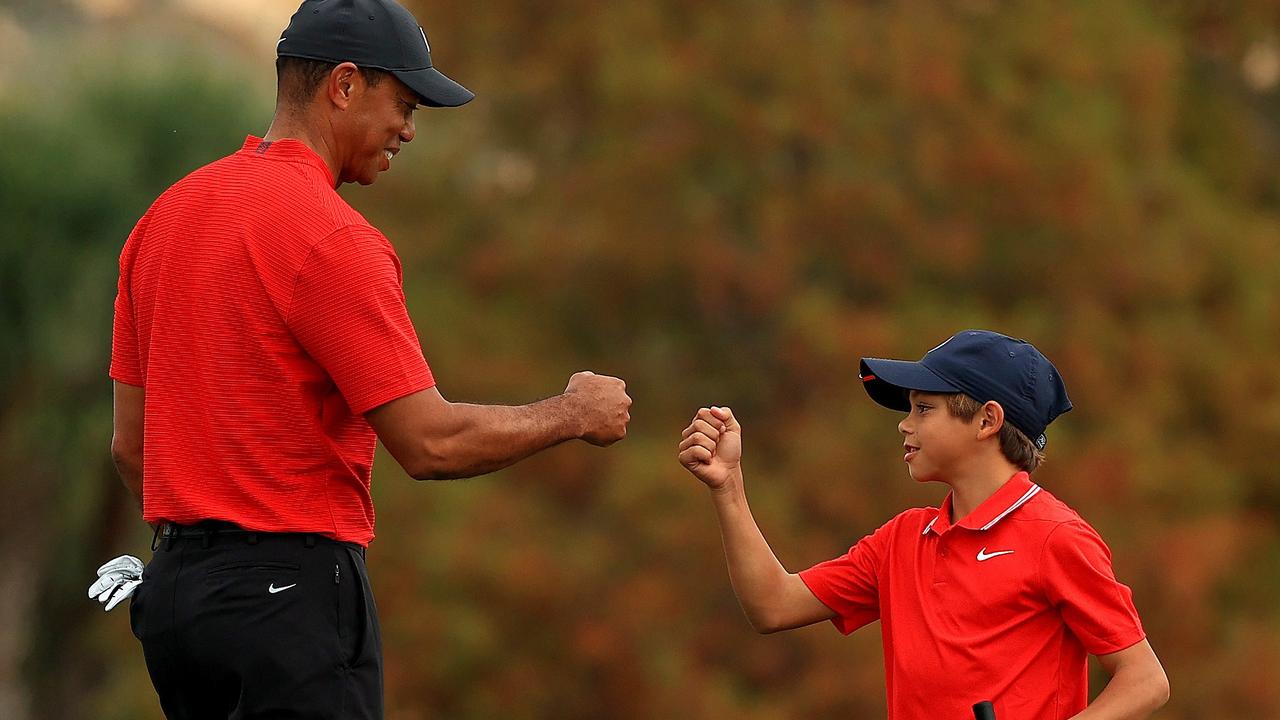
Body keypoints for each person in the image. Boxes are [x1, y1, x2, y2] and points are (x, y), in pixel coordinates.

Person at [97, 1, 631, 718]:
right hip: (289, 598)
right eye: (404, 104)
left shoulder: (164, 218)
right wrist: (572, 413)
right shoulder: (332, 238)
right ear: (344, 86)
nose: (409, 129)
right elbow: (430, 443)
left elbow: (132, 448)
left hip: (175, 604)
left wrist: (204, 564)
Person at [678, 329, 1169, 719]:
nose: (904, 423)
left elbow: (1144, 680)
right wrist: (729, 487)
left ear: (987, 421)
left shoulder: (1055, 536)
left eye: (923, 408)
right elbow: (772, 605)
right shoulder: (902, 539)